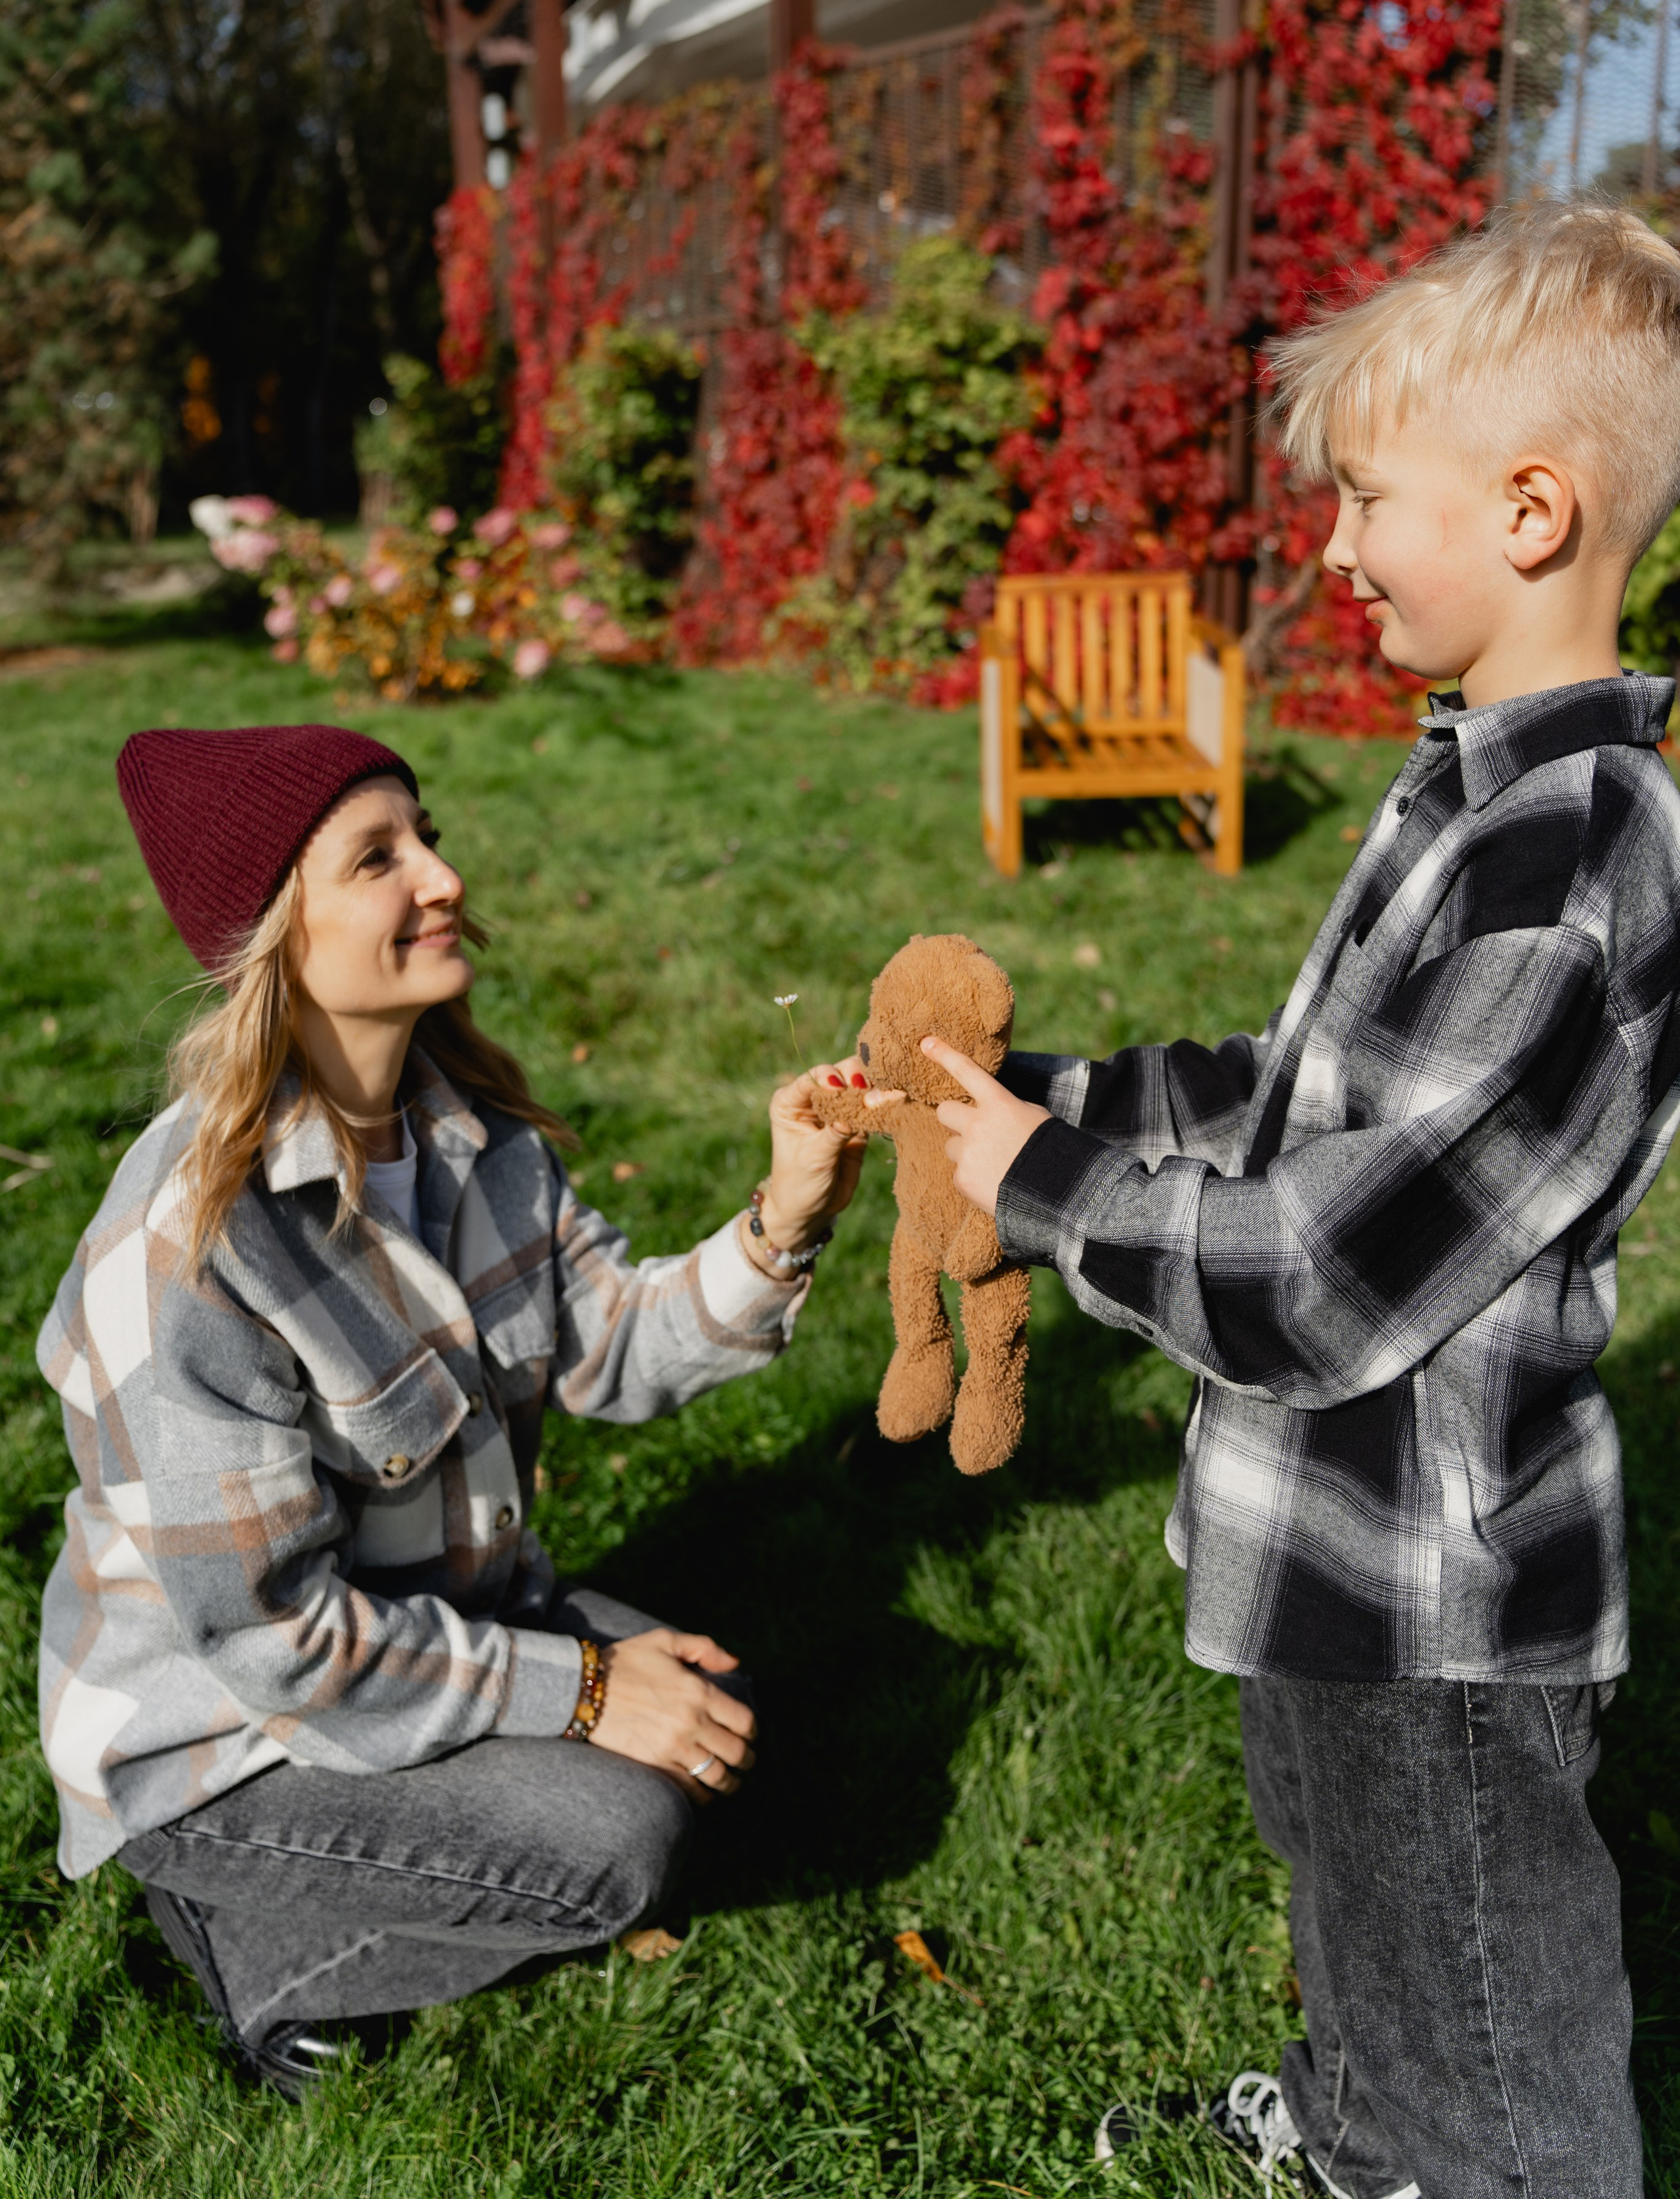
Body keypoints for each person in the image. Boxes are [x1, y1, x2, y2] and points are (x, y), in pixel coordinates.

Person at [911, 203, 1680, 2197]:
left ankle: (1459, 2161)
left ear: (1531, 512)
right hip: (1330, 1552)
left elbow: (1327, 1269)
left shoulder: (1569, 864)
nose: (1329, 549)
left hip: (1437, 1582)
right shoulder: (1468, 793)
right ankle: (1359, 2132)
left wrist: (1050, 1189)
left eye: (1362, 499)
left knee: (1489, 2011)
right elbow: (1300, 1103)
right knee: (1356, 1896)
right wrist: (1049, 1099)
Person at [36, 723, 869, 2095]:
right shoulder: (190, 1254)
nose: (441, 874)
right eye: (380, 858)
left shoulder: (472, 1134)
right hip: (224, 1738)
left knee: (708, 1715)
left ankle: (378, 1859)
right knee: (616, 1845)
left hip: (435, 1625)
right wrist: (588, 1689)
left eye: (424, 832)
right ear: (273, 941)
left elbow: (616, 1347)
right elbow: (277, 1641)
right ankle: (250, 1944)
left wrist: (784, 1215)